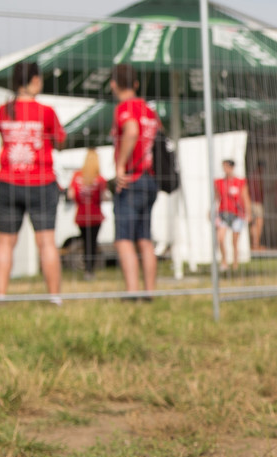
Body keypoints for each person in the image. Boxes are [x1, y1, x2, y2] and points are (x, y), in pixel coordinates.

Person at [0, 61, 66, 303]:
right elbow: (59, 141)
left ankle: (0, 296)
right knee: (46, 241)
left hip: (9, 181)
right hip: (41, 182)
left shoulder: (4, 110)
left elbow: (3, 137)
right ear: (35, 80)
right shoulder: (45, 112)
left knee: (5, 242)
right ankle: (54, 297)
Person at [110, 63, 160, 298]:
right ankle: (150, 292)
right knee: (144, 238)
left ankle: (132, 293)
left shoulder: (125, 107)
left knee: (123, 239)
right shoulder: (149, 110)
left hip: (132, 179)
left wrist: (120, 166)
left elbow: (131, 131)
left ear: (113, 84)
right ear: (136, 84)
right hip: (150, 179)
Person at [67, 149, 110, 280]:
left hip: (81, 215)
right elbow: (103, 197)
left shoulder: (76, 176)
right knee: (93, 243)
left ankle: (87, 269)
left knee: (85, 242)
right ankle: (90, 270)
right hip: (95, 216)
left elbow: (70, 194)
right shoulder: (100, 179)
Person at [213, 159, 251, 272]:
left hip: (237, 214)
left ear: (232, 168)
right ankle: (224, 261)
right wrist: (213, 210)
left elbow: (245, 197)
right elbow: (216, 198)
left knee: (234, 241)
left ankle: (235, 263)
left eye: (227, 167)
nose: (225, 169)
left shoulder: (240, 182)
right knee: (220, 238)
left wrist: (248, 213)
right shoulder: (219, 182)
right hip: (223, 213)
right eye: (224, 167)